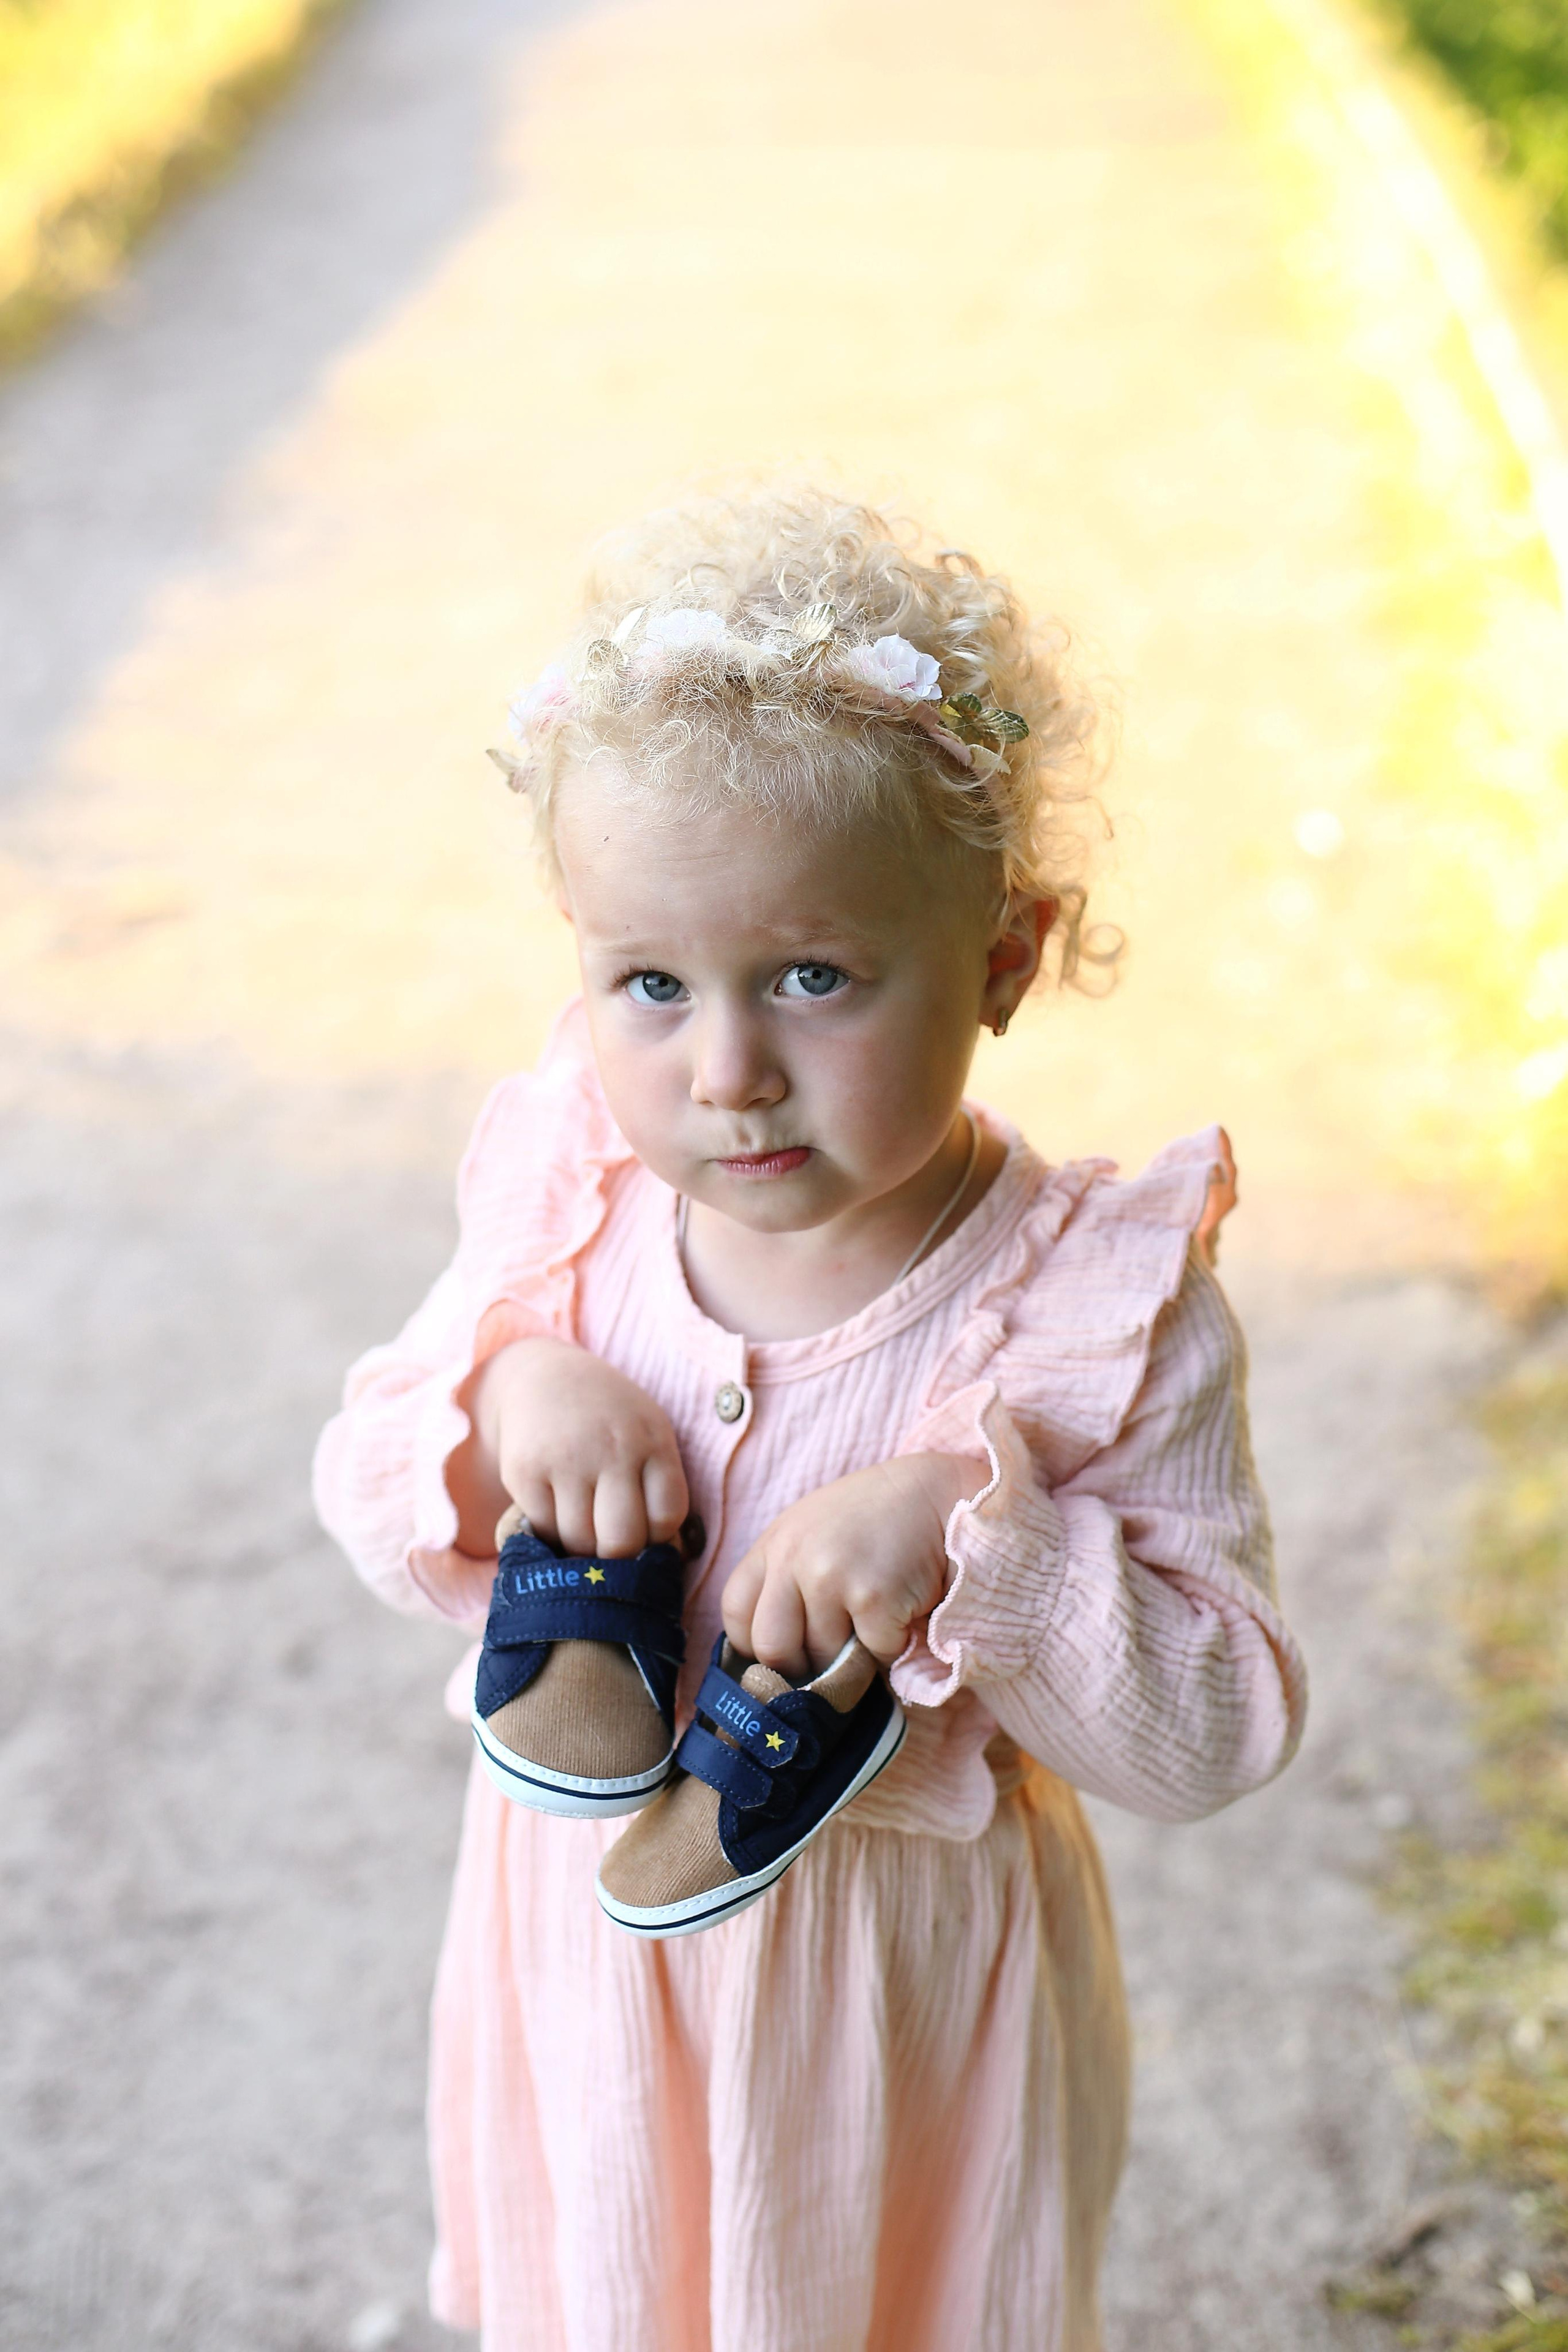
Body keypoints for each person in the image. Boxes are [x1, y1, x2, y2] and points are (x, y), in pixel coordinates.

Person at [312, 485, 1305, 2352]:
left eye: (814, 977)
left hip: (892, 2024)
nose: (727, 1069)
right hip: (588, 1989)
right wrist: (506, 1393)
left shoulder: (1096, 1311)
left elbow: (1214, 1727)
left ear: (1006, 957)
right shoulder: (573, 1212)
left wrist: (970, 1534)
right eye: (649, 984)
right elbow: (368, 1480)